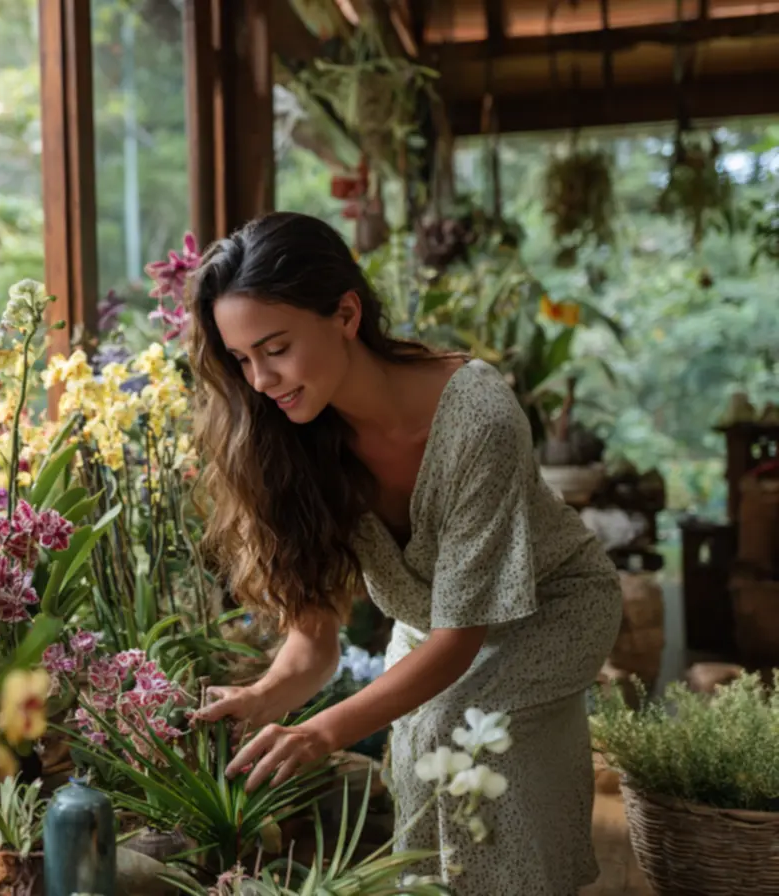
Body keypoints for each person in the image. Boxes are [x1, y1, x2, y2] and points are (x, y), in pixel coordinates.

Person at [187, 211, 621, 895]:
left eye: (275, 347)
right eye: (242, 360)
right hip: (433, 630)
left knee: (447, 732)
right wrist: (266, 696)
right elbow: (314, 644)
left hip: (553, 608)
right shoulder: (290, 443)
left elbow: (460, 636)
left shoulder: (477, 415)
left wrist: (322, 732)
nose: (261, 381)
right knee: (423, 761)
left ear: (347, 313)